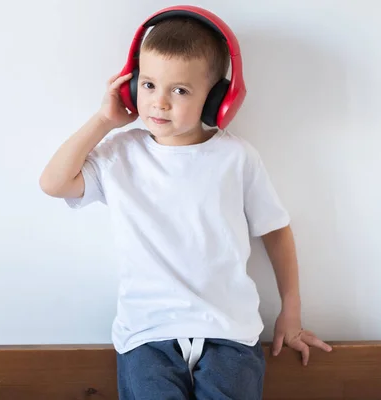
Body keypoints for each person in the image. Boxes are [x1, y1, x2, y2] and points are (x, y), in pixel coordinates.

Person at [39, 9, 332, 400]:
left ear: (216, 100)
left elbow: (275, 232)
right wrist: (103, 121)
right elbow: (53, 183)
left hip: (230, 332)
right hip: (146, 333)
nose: (158, 102)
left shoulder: (237, 158)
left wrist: (290, 311)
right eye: (147, 84)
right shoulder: (119, 154)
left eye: (179, 91)